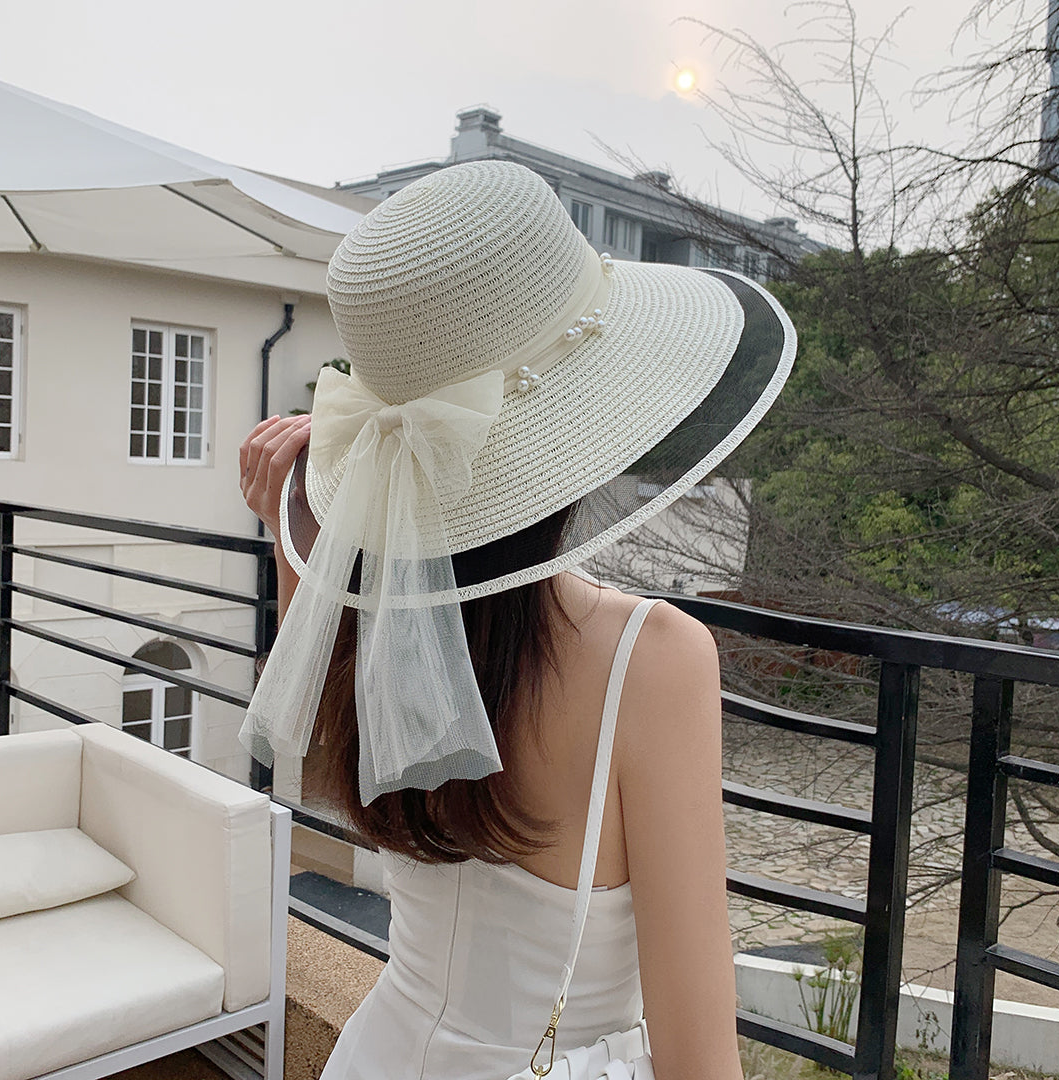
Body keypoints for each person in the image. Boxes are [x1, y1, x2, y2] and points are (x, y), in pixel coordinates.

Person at [238, 160, 795, 1080]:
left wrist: (290, 537)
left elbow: (332, 772)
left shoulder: (370, 623)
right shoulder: (650, 659)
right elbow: (699, 1054)